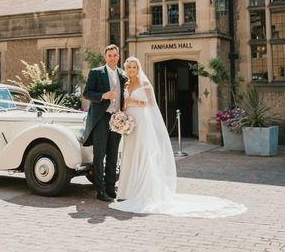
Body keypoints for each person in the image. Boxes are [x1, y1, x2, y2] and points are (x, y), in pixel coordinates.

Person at [109, 57, 246, 218]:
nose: (132, 69)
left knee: (143, 155)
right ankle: (128, 190)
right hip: (130, 122)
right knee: (130, 155)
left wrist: (135, 101)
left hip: (142, 122)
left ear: (138, 69)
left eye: (134, 67)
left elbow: (151, 104)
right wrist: (121, 117)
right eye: (129, 67)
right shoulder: (126, 85)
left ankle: (143, 191)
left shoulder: (144, 84)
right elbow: (125, 105)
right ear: (126, 69)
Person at [82, 44, 126, 202]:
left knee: (113, 155)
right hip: (101, 119)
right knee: (99, 156)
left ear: (118, 56)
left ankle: (110, 188)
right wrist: (103, 95)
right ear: (105, 57)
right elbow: (86, 93)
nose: (113, 58)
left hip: (118, 120)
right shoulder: (96, 72)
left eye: (115, 55)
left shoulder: (123, 74)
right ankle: (100, 190)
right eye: (110, 56)